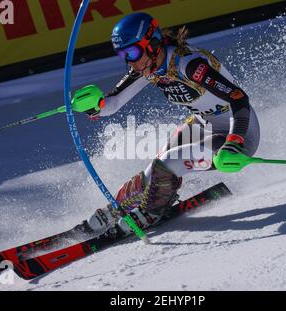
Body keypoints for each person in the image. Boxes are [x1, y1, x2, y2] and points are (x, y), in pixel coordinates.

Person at [75, 12, 260, 235]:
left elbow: (239, 98)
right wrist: (95, 105)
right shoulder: (148, 67)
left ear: (152, 44)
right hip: (203, 126)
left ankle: (151, 212)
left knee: (168, 162)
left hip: (238, 132)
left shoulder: (189, 65)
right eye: (123, 54)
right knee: (156, 170)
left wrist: (234, 141)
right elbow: (112, 102)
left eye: (132, 52)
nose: (130, 61)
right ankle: (116, 209)